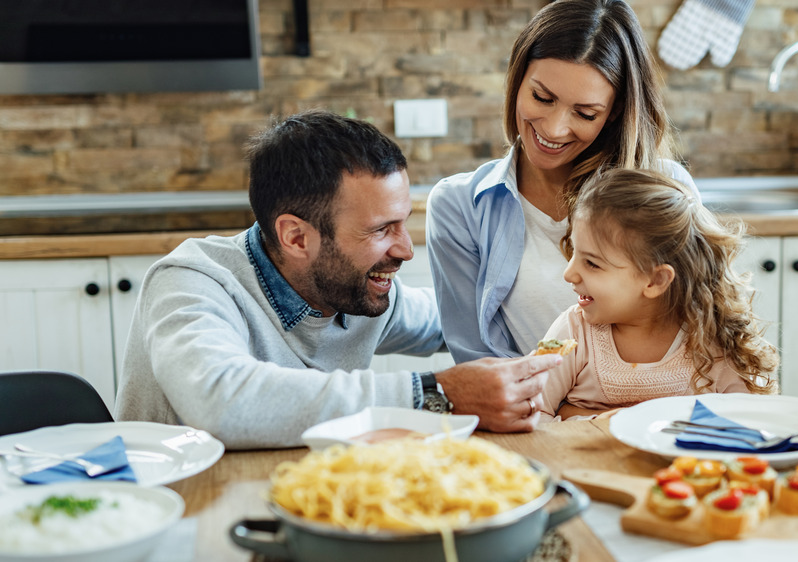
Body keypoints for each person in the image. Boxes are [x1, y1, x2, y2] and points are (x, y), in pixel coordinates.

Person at [114, 110, 561, 449]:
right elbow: (221, 402)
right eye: (381, 230)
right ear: (295, 236)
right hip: (177, 516)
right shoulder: (191, 281)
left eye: (404, 222)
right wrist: (435, 392)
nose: (406, 249)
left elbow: (465, 319)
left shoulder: (358, 291)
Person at [426, 0, 696, 364]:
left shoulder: (669, 190)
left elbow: (707, 325)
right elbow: (480, 366)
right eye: (542, 97)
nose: (554, 129)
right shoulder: (459, 207)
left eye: (585, 113)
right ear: (517, 79)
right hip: (536, 416)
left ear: (614, 112)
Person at [537, 168, 778, 422]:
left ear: (655, 280)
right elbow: (533, 414)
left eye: (592, 264)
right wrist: (605, 422)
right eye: (574, 252)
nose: (569, 273)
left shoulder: (710, 340)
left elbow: (751, 421)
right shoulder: (573, 332)